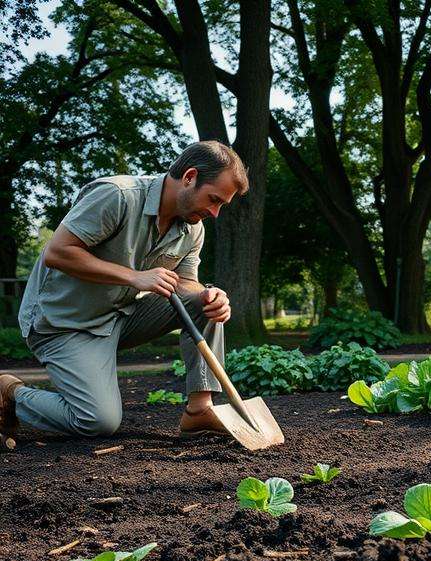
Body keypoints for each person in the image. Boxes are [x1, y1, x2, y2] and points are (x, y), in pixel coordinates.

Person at [0, 140, 247, 450]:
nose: (215, 212)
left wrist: (211, 295)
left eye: (222, 204)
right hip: (63, 323)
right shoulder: (117, 196)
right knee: (97, 421)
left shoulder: (192, 228)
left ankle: (199, 410)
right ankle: (11, 392)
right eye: (213, 199)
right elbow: (57, 253)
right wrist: (134, 277)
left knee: (203, 304)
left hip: (118, 316)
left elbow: (186, 284)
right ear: (189, 177)